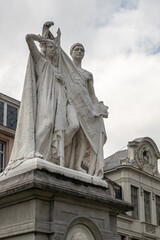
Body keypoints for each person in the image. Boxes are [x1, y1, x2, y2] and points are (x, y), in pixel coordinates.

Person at [7, 22, 79, 168]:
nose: (53, 50)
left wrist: (62, 82)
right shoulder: (41, 61)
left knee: (55, 126)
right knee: (46, 124)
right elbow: (28, 39)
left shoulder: (55, 68)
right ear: (44, 49)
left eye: (54, 48)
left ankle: (50, 156)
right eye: (50, 47)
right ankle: (35, 151)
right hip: (44, 99)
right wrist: (40, 38)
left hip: (58, 102)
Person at [61, 43, 108, 177]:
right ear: (71, 52)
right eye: (77, 49)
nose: (80, 51)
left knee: (83, 137)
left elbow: (91, 94)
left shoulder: (88, 74)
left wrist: (99, 108)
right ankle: (59, 149)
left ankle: (76, 165)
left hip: (86, 107)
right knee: (74, 125)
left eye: (82, 50)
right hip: (71, 103)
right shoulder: (66, 67)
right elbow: (53, 51)